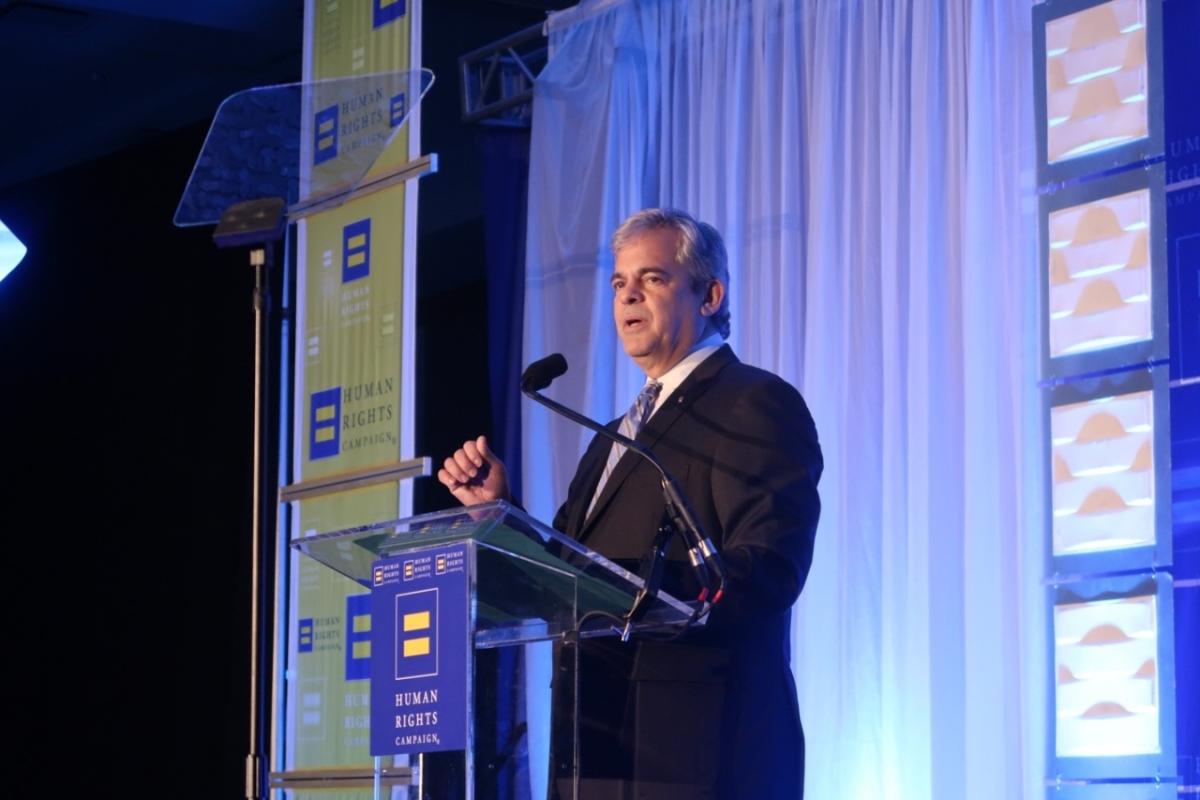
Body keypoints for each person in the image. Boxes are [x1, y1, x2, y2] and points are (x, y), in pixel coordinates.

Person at [439, 208, 822, 800]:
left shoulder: (756, 404)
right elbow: (564, 573)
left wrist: (637, 594)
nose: (628, 297)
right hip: (595, 742)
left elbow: (768, 573)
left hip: (699, 754)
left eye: (653, 278)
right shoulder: (615, 436)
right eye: (619, 283)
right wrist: (498, 511)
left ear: (709, 295)